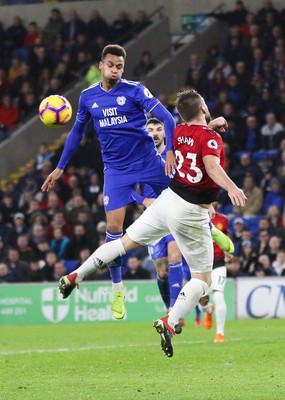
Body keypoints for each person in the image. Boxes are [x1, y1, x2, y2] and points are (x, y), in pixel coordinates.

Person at [57, 88, 246, 357]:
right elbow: (212, 166)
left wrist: (212, 124)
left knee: (123, 243)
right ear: (204, 109)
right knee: (202, 279)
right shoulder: (211, 139)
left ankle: (76, 275)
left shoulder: (179, 132)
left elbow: (196, 130)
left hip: (166, 201)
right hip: (191, 211)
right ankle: (170, 320)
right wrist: (233, 188)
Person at [41, 44, 177, 320]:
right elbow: (77, 133)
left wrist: (171, 149)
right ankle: (117, 289)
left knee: (184, 194)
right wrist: (59, 167)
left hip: (148, 162)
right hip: (116, 170)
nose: (115, 70)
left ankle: (209, 228)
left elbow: (166, 117)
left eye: (120, 66)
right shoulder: (87, 97)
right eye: (111, 65)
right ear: (100, 65)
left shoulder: (135, 90)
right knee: (113, 230)